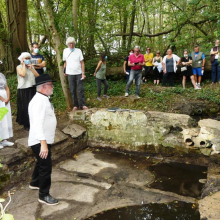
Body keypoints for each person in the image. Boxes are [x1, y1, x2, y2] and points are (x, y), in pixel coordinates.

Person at [28, 74, 58, 206]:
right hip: (39, 141)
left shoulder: (43, 98)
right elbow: (37, 124)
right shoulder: (38, 102)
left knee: (41, 163)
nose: (52, 87)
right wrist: (43, 144)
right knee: (46, 167)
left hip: (43, 140)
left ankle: (35, 182)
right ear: (44, 87)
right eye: (51, 85)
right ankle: (43, 195)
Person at [63, 37, 88, 110]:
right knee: (72, 90)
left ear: (74, 43)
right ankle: (75, 105)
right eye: (70, 43)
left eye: (72, 43)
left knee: (80, 89)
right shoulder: (65, 51)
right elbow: (65, 62)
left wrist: (83, 73)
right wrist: (65, 70)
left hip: (79, 73)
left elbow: (82, 63)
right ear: (67, 44)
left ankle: (83, 104)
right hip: (70, 73)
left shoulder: (78, 51)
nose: (71, 44)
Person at [16, 52, 39, 130]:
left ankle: (33, 122)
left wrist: (31, 68)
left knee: (34, 107)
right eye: (26, 58)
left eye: (29, 58)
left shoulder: (31, 67)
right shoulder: (19, 67)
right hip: (23, 90)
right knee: (25, 107)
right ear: (22, 59)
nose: (28, 60)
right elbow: (23, 74)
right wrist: (23, 65)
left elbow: (37, 76)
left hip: (32, 88)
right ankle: (26, 124)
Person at [0, 61, 13, 149]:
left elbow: (6, 87)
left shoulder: (2, 75)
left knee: (6, 117)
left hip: (5, 97)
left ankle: (4, 139)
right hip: (0, 98)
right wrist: (2, 99)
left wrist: (8, 97)